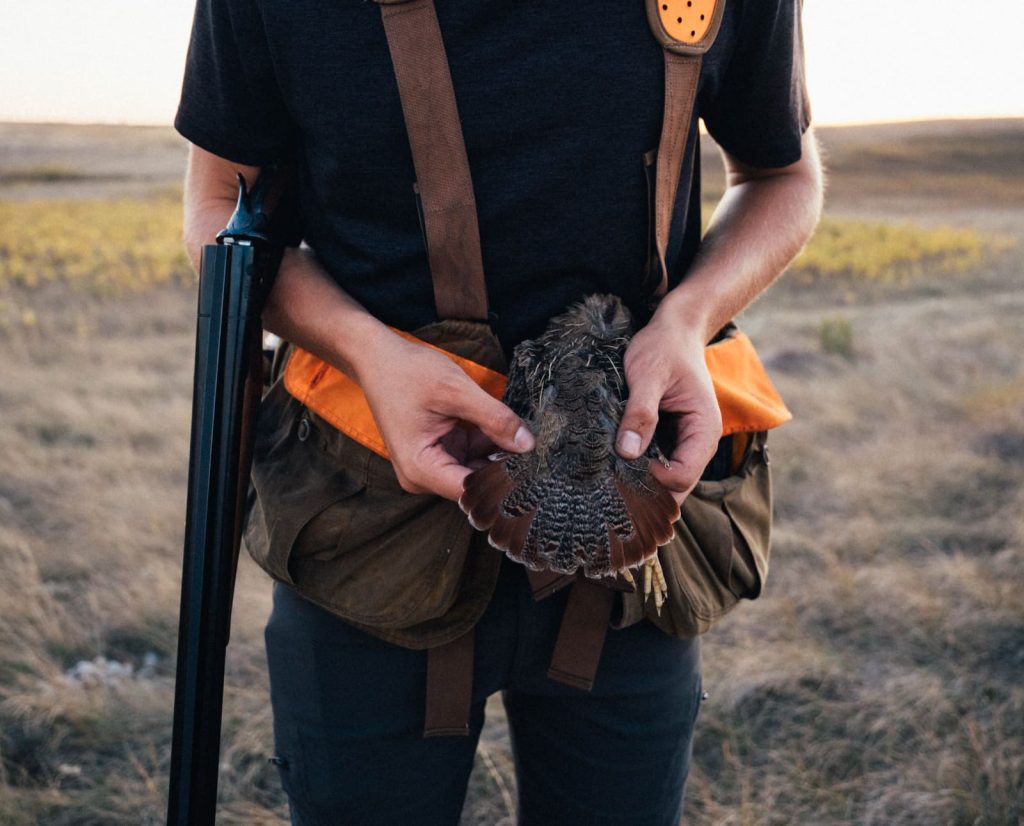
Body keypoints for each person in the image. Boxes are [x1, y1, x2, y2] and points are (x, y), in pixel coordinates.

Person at [176, 1, 823, 823]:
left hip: (633, 544)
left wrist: (690, 321)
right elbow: (220, 210)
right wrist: (370, 356)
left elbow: (782, 176)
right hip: (366, 532)